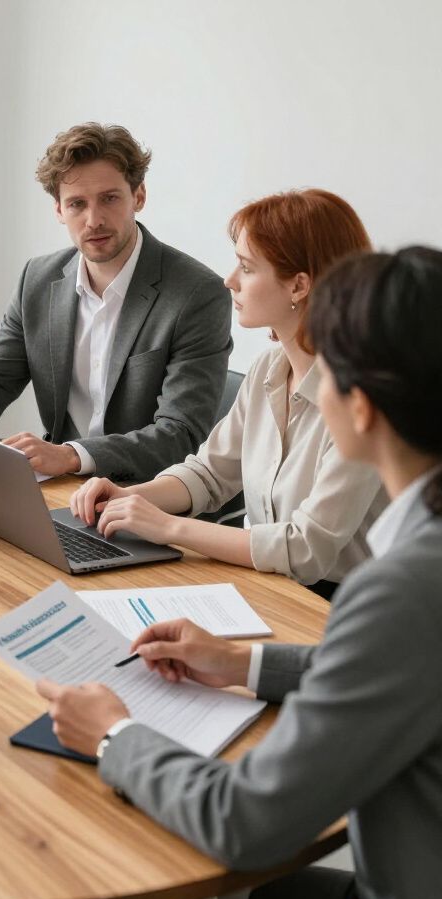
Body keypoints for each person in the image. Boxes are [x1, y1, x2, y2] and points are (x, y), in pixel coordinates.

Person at [39, 246, 442, 899]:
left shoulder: (403, 587)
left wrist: (115, 736)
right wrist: (243, 661)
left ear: (363, 406)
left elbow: (245, 820)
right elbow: (405, 662)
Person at [69, 189, 386, 596]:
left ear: (299, 286)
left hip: (346, 607)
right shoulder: (269, 369)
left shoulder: (362, 400)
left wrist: (169, 527)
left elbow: (307, 548)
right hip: (274, 588)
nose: (229, 280)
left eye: (247, 268)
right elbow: (209, 474)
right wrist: (131, 497)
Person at [0, 122, 231, 480]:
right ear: (59, 210)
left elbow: (180, 436)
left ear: (138, 196)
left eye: (110, 198)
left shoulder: (197, 294)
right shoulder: (38, 280)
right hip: (61, 491)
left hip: (146, 499)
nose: (94, 220)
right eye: (77, 204)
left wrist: (72, 456)